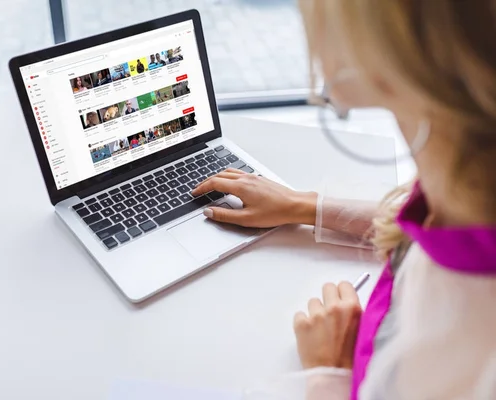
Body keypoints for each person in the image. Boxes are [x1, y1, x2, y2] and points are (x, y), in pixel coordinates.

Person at [192, 1, 496, 399]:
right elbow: (420, 236)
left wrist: (328, 374)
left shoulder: (462, 352)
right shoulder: (466, 175)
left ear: (384, 57)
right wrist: (303, 206)